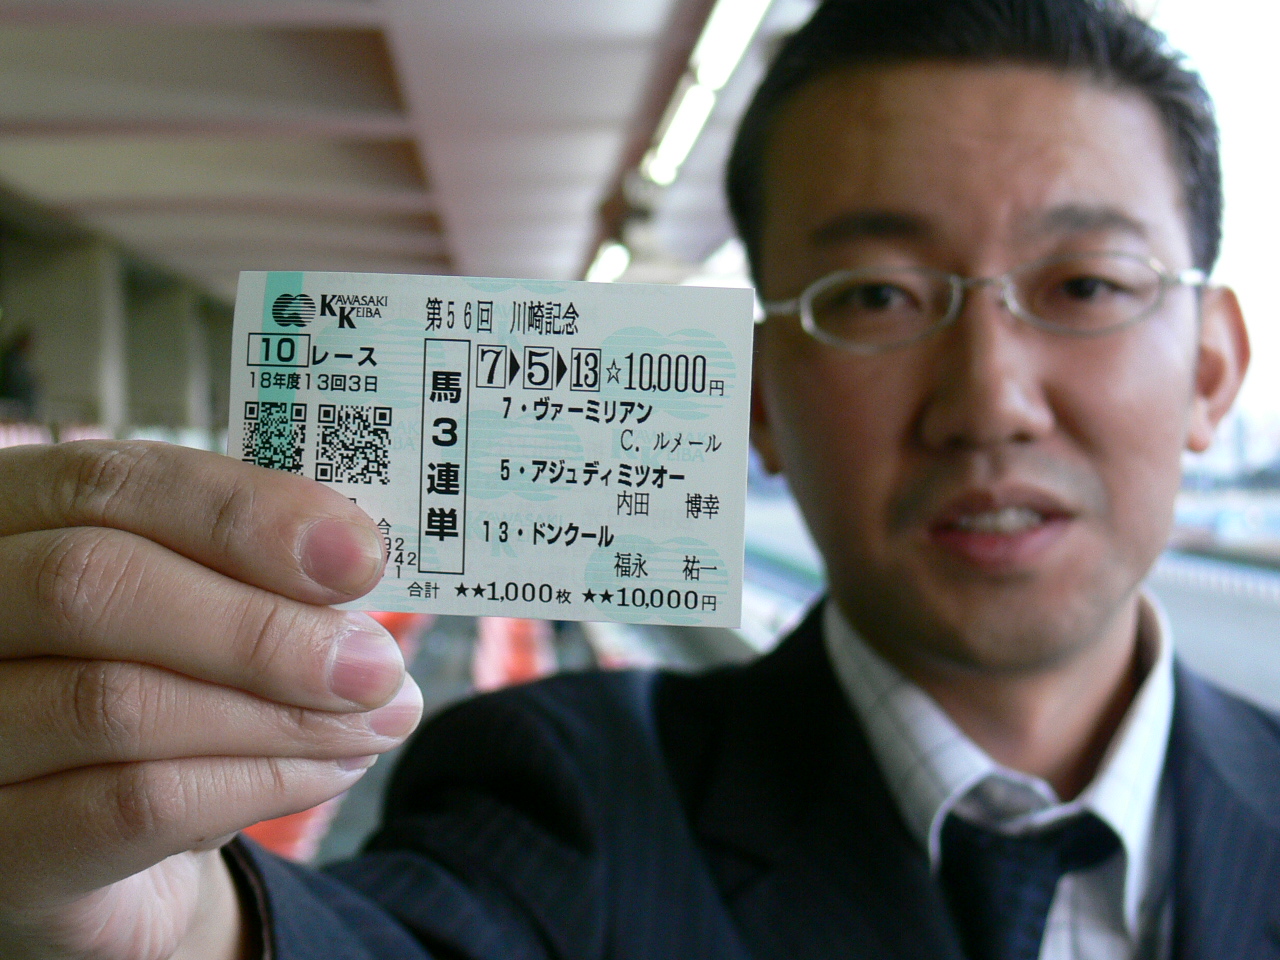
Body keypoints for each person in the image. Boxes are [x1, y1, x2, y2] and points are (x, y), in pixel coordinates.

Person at [0, 0, 1275, 957]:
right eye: (873, 297)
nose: (988, 400)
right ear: (756, 398)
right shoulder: (570, 791)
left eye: (1085, 286)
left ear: (1213, 369)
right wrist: (166, 923)